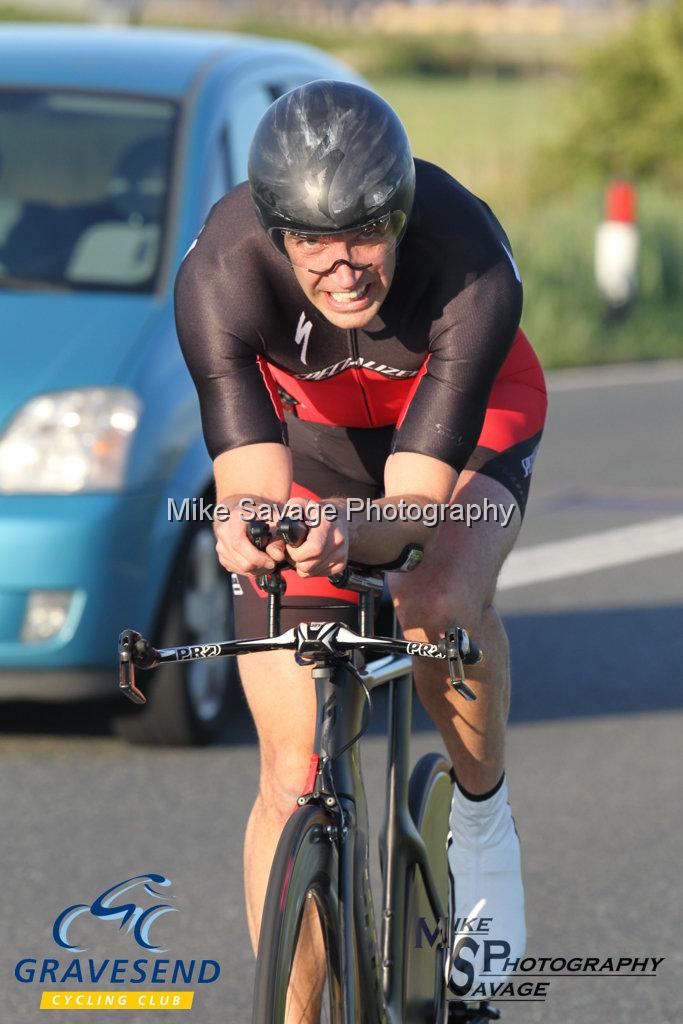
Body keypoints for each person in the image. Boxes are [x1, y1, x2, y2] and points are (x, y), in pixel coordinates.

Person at [174, 80, 547, 1012]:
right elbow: (252, 481)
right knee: (288, 767)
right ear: (273, 231)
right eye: (310, 241)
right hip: (319, 445)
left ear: (402, 214)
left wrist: (355, 534)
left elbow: (417, 512)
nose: (341, 267)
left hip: (469, 426)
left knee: (436, 598)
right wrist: (248, 528)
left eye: (364, 235)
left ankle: (484, 826)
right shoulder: (219, 274)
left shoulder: (470, 263)